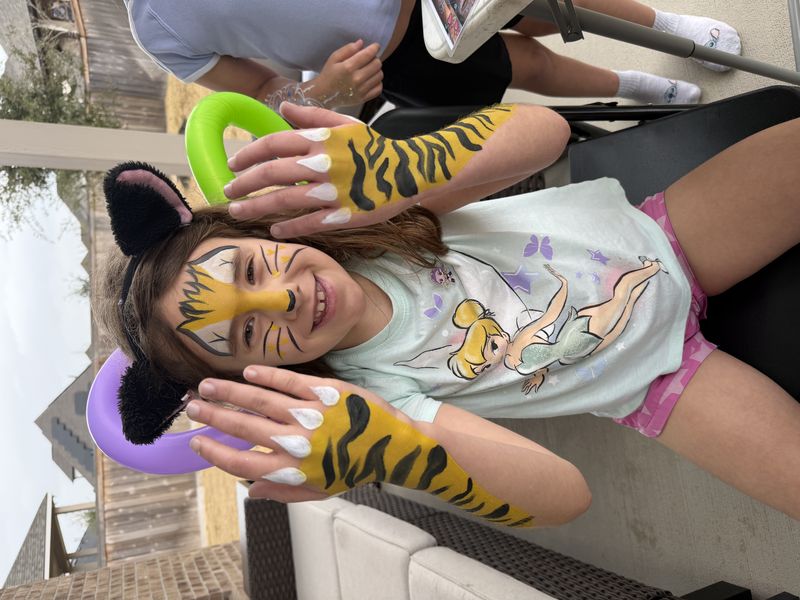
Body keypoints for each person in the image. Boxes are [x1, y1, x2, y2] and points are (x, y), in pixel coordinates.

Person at [94, 102, 800, 525]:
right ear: (258, 372)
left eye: (249, 269)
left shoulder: (368, 221)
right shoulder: (368, 397)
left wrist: (410, 167)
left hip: (665, 238)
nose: (281, 297)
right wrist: (395, 450)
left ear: (258, 235)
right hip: (659, 386)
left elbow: (546, 132)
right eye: (247, 332)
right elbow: (565, 496)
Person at [123, 0, 741, 110]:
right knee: (526, 68)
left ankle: (669, 29)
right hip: (388, 58)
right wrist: (322, 94)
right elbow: (262, 94)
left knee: (555, 6)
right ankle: (631, 82)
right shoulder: (157, 31)